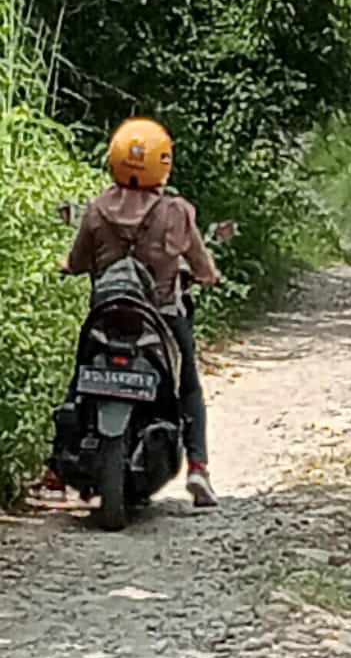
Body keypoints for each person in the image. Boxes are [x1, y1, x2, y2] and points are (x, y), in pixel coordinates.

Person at [39, 117, 222, 509]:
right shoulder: (176, 211)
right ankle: (198, 468)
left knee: (80, 376)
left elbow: (78, 261)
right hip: (160, 317)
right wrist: (209, 276)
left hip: (106, 313)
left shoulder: (96, 210)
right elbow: (202, 266)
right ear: (163, 161)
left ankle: (55, 468)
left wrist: (68, 267)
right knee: (187, 384)